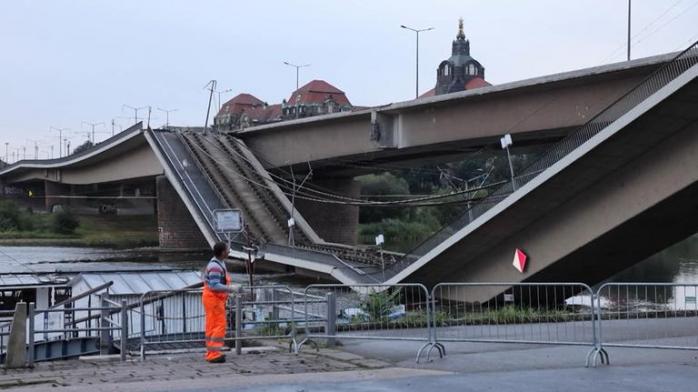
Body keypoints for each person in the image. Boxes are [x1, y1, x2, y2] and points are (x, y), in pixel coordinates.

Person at [202, 241, 238, 363]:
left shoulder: (217, 263)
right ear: (223, 252)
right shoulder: (216, 266)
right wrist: (231, 288)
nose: (229, 251)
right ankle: (213, 354)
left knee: (212, 326)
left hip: (214, 299)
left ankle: (212, 352)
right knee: (219, 325)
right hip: (214, 299)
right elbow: (214, 285)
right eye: (227, 250)